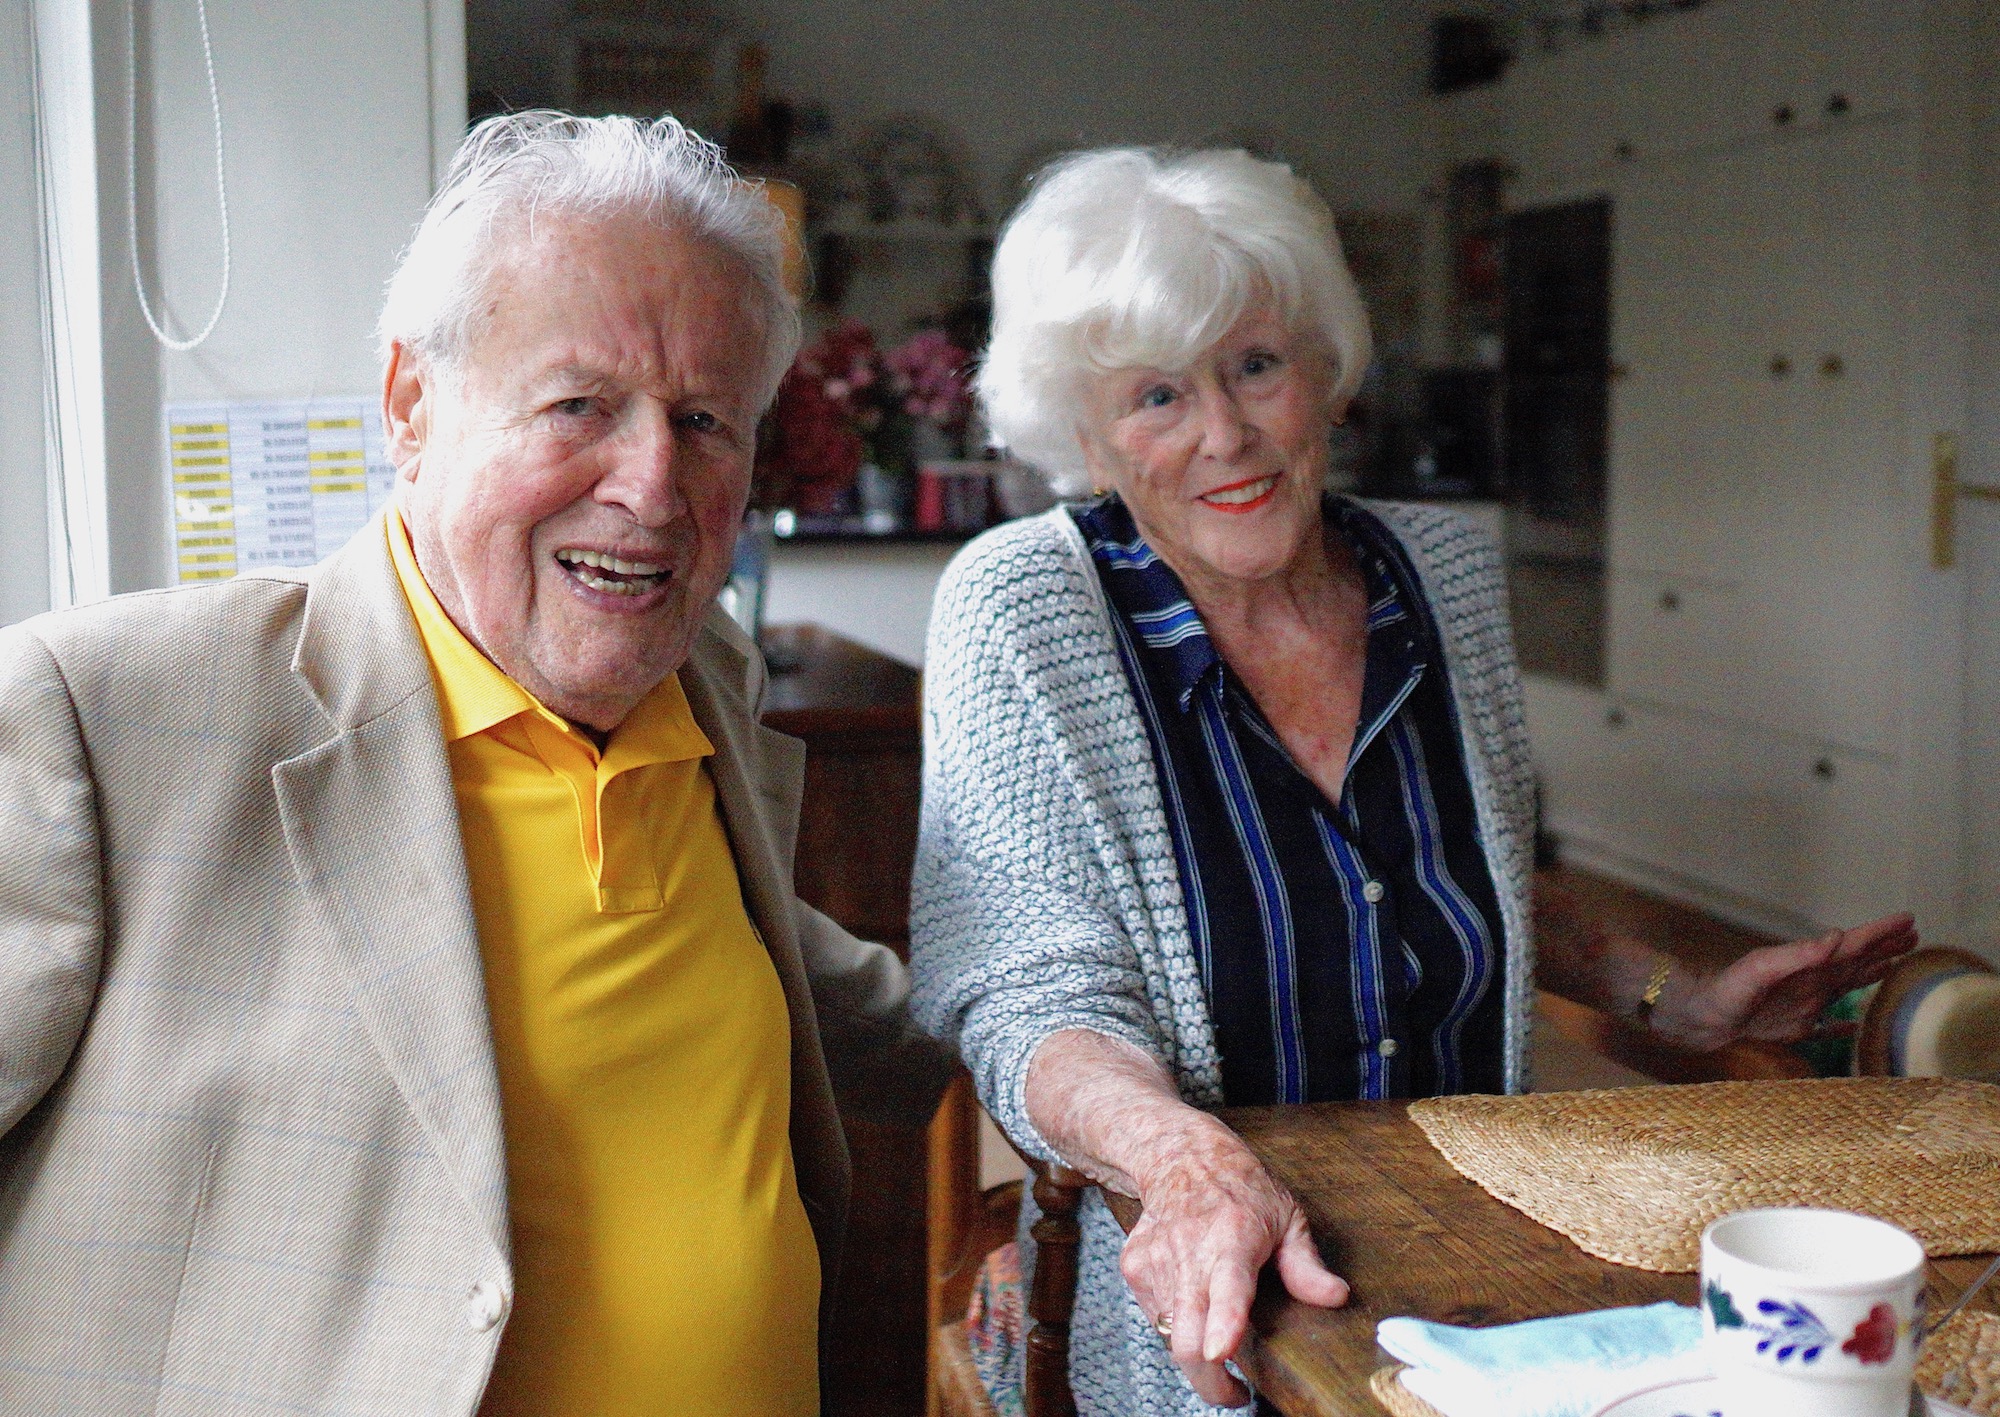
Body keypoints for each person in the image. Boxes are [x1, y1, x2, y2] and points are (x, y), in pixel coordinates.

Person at [909, 146, 1917, 1416]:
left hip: (1486, 1282)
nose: (1224, 432)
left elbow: (1465, 872)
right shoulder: (1023, 609)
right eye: (1157, 394)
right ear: (1087, 434)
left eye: (1255, 365)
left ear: (1325, 372)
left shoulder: (1441, 573)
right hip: (1207, 1313)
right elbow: (1021, 987)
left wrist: (1677, 1000)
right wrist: (1183, 1165)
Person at [0, 112, 951, 1416]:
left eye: (704, 420)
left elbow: (753, 958)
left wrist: (1081, 1059)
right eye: (579, 406)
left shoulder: (700, 682)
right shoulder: (108, 718)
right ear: (411, 404)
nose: (652, 485)